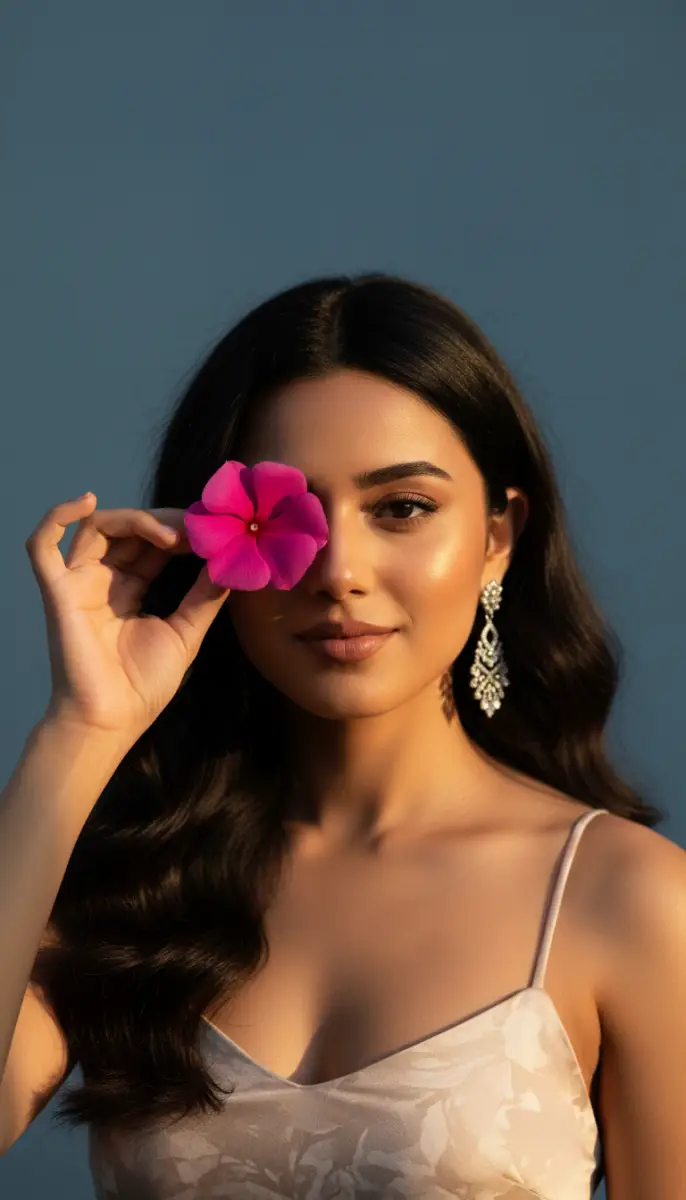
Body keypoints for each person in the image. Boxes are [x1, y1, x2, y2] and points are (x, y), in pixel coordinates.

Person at [0, 273, 684, 1199]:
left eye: (401, 507)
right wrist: (81, 730)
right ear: (209, 539)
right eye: (288, 518)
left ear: (498, 538)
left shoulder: (627, 898)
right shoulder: (130, 882)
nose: (338, 570)